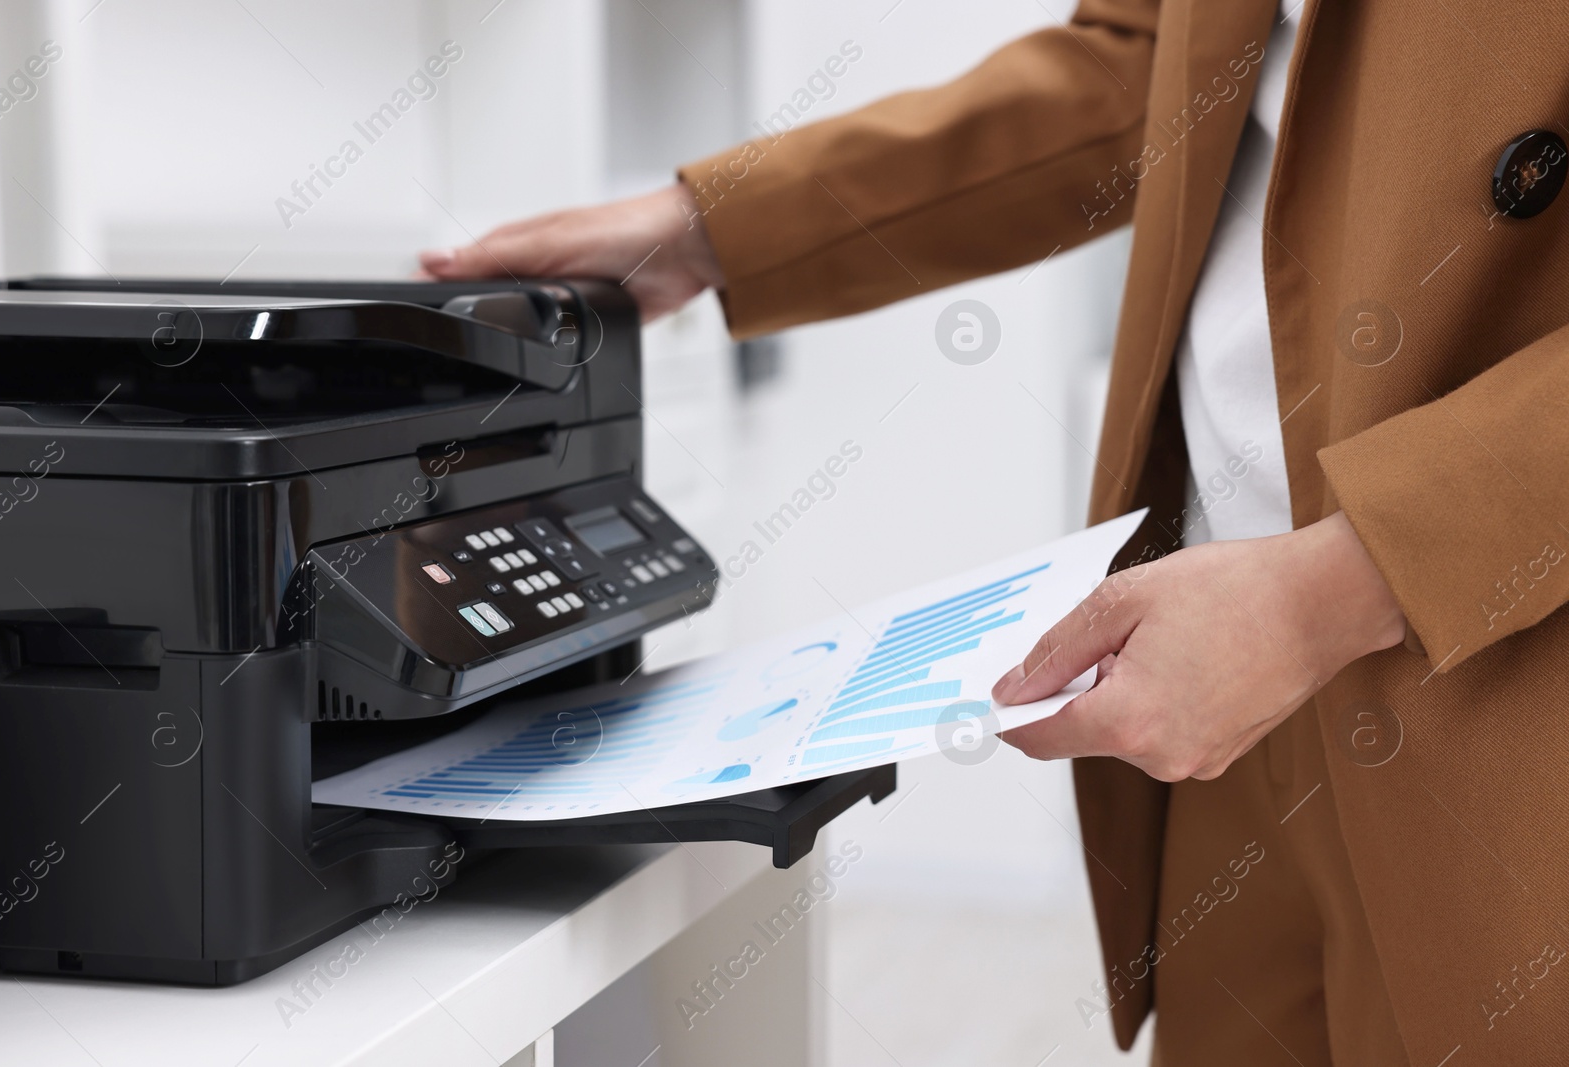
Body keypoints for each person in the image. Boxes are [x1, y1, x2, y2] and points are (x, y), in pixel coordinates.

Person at [419, 0, 1569, 1061]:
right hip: (1228, 671)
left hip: (1495, 662)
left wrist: (1339, 579)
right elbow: (1137, 72)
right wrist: (714, 228)